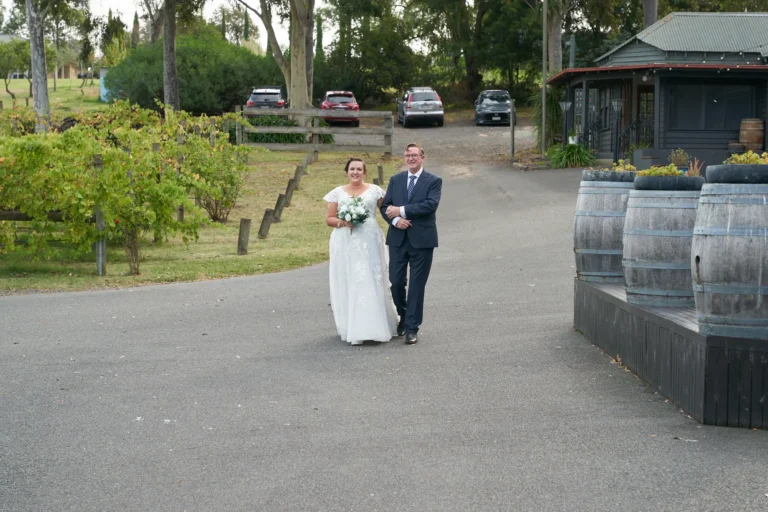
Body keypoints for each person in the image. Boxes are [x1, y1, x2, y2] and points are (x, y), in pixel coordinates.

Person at [324, 158, 399, 345]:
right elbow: (329, 219)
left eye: (359, 169)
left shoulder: (375, 190)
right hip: (346, 240)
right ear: (346, 171)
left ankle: (377, 325)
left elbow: (385, 210)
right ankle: (354, 327)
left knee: (372, 278)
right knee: (352, 279)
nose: (355, 172)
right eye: (352, 169)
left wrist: (399, 218)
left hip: (369, 239)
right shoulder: (337, 193)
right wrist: (344, 221)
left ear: (364, 172)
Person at [380, 143, 442, 345]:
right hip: (398, 239)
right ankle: (404, 315)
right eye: (407, 155)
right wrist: (396, 219)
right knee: (396, 282)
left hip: (422, 240)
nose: (410, 158)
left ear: (422, 157)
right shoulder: (396, 180)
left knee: (416, 285)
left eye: (414, 155)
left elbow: (430, 205)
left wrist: (402, 211)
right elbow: (386, 207)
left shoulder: (433, 181)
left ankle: (412, 328)